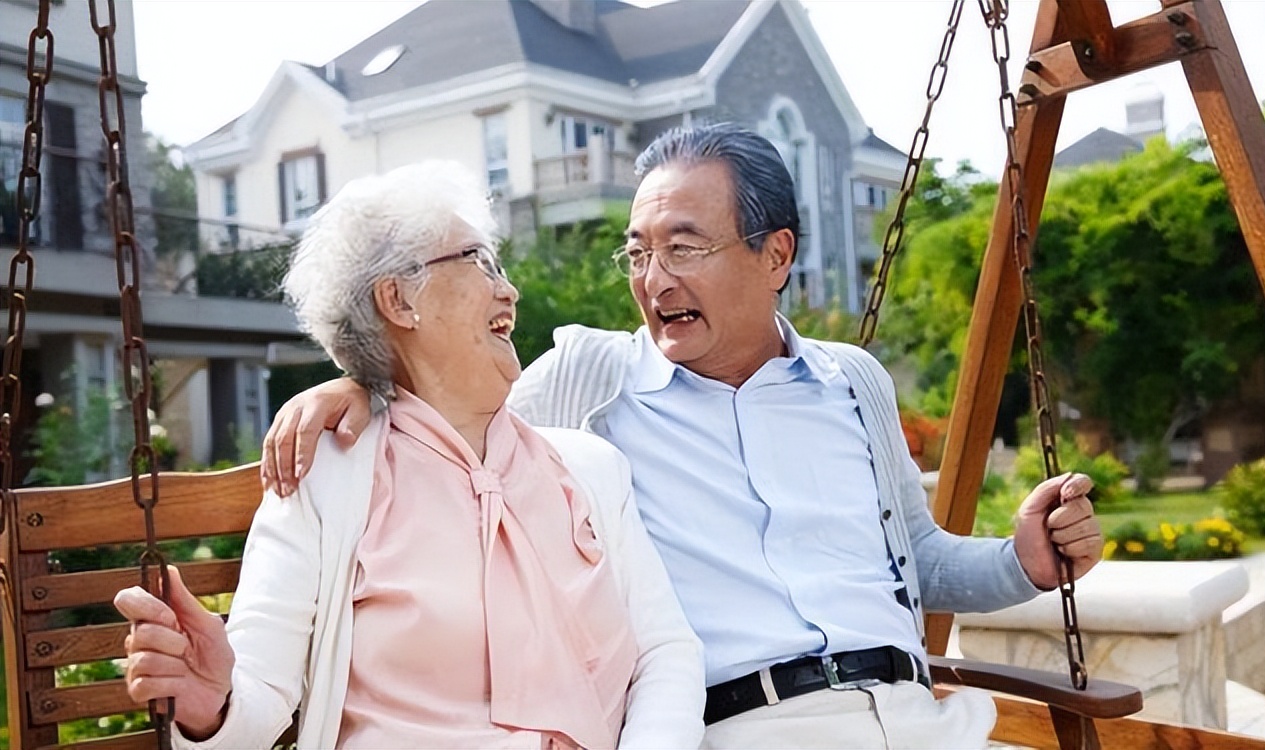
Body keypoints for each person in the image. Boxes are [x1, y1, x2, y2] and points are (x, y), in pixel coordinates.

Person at [261, 124, 1103, 749]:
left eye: (683, 248)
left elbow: (915, 558)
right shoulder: (591, 386)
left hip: (917, 718)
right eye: (638, 253)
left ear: (776, 255)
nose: (653, 280)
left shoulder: (852, 380)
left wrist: (1020, 562)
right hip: (747, 726)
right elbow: (450, 401)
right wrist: (359, 383)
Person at [114, 160, 705, 749]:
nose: (509, 289)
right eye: (478, 261)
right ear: (398, 299)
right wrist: (210, 706)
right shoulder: (326, 477)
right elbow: (258, 698)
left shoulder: (589, 469)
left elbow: (666, 654)